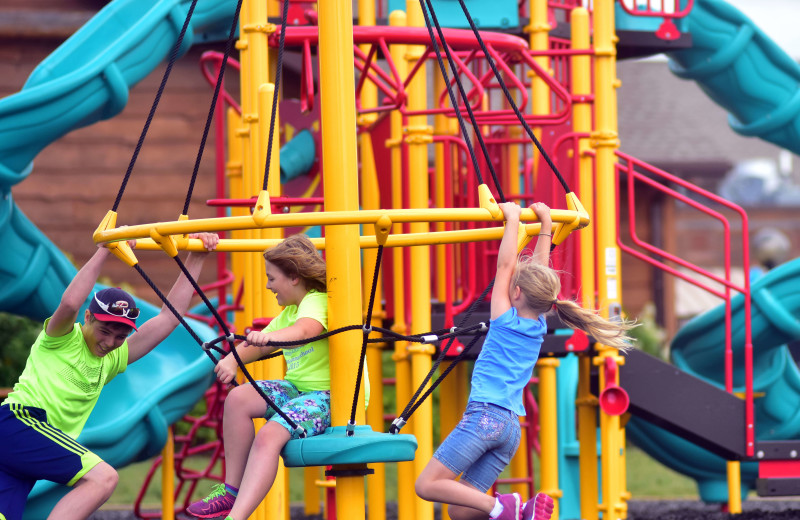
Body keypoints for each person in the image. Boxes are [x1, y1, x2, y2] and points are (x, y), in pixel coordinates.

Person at [415, 202, 635, 520]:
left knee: (427, 485)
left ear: (515, 292)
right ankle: (516, 510)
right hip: (509, 430)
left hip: (485, 419)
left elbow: (504, 268)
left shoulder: (505, 320)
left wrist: (514, 220)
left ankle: (504, 507)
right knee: (459, 512)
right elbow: (533, 274)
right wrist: (544, 224)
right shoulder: (538, 325)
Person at [0, 232, 219, 520]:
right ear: (88, 318)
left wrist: (196, 258)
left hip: (21, 452)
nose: (110, 342)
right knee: (102, 478)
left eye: (121, 335)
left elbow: (169, 319)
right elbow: (69, 304)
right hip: (21, 422)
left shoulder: (114, 358)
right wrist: (104, 251)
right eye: (105, 331)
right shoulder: (61, 339)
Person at [188, 234, 347, 520]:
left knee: (269, 434)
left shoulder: (317, 301)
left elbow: (305, 332)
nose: (267, 285)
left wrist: (268, 336)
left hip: (334, 398)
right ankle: (230, 493)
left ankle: (237, 517)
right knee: (238, 398)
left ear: (294, 277)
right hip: (301, 391)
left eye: (272, 278)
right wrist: (230, 361)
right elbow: (256, 345)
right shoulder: (288, 313)